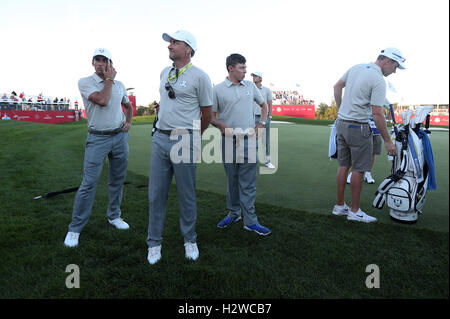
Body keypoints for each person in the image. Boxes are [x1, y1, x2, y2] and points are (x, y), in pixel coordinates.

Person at [146, 30, 213, 265]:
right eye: (170, 42)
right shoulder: (165, 72)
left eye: (175, 42)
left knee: (186, 194)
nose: (169, 46)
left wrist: (194, 135)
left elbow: (207, 114)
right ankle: (154, 242)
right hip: (160, 139)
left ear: (189, 49)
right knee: (156, 195)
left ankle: (190, 239)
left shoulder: (201, 77)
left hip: (185, 139)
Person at [64, 48, 133, 247]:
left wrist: (128, 122)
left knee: (117, 180)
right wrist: (109, 80)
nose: (102, 63)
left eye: (105, 60)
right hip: (97, 138)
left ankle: (114, 216)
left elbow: (127, 106)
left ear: (111, 63)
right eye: (98, 60)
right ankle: (75, 228)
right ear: (93, 63)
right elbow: (102, 101)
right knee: (89, 183)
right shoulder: (85, 82)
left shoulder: (119, 84)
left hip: (119, 137)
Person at [332, 48, 405, 223]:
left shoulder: (356, 67)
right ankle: (354, 211)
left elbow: (337, 86)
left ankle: (340, 206)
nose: (394, 71)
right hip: (358, 127)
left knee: (344, 165)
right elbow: (377, 113)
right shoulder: (379, 80)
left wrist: (341, 108)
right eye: (395, 66)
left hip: (341, 124)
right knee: (359, 169)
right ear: (387, 61)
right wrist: (388, 141)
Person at [211, 53, 271, 235]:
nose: (245, 71)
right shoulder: (218, 90)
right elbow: (211, 117)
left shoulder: (251, 86)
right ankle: (234, 213)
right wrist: (222, 125)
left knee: (248, 183)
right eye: (242, 68)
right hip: (229, 142)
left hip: (249, 142)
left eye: (245, 67)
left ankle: (250, 221)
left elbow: (264, 106)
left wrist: (261, 123)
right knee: (232, 181)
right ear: (231, 68)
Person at [251, 71, 275, 169]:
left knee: (265, 141)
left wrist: (269, 116)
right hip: (253, 118)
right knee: (252, 140)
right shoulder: (250, 89)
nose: (253, 78)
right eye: (253, 76)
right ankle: (252, 161)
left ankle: (267, 161)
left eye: (255, 76)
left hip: (264, 118)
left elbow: (269, 103)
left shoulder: (267, 90)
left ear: (260, 78)